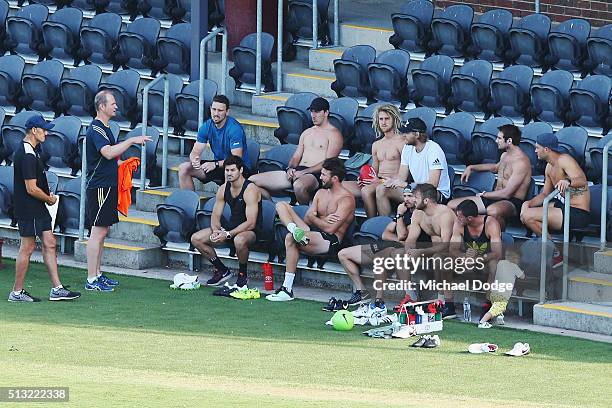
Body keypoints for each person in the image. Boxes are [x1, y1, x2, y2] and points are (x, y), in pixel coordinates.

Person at [8, 115, 81, 302]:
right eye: (44, 130)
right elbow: (31, 188)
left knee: (49, 242)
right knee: (28, 247)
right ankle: (16, 292)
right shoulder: (27, 154)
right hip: (29, 208)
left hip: (37, 208)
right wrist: (49, 198)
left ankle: (57, 288)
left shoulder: (32, 150)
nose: (47, 133)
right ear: (34, 130)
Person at [85, 91, 152, 292]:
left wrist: (124, 165)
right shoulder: (96, 129)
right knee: (97, 232)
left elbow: (111, 159)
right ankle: (91, 279)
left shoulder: (106, 128)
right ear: (101, 107)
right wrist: (131, 141)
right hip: (100, 186)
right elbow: (107, 153)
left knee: (103, 231)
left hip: (108, 184)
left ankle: (97, 273)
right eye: (112, 104)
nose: (116, 106)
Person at [266, 158, 355, 301]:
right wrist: (321, 220)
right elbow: (307, 218)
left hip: (329, 240)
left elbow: (331, 229)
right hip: (311, 231)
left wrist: (315, 218)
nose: (320, 177)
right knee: (281, 205)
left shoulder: (346, 199)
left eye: (324, 175)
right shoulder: (320, 193)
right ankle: (294, 229)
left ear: (335, 178)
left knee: (290, 238)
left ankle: (287, 289)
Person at [336, 186, 425, 308]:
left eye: (410, 196)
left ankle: (382, 299)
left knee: (382, 257)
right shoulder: (404, 212)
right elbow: (385, 234)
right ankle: (362, 292)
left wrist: (399, 215)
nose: (406, 199)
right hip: (385, 246)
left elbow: (403, 234)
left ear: (417, 198)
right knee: (343, 254)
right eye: (404, 196)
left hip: (401, 253)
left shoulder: (417, 214)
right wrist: (398, 238)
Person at [249, 97, 343, 204]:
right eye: (312, 111)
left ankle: (305, 215)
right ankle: (274, 210)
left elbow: (329, 163)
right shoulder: (307, 132)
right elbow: (296, 157)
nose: (313, 115)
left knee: (299, 186)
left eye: (317, 111)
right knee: (251, 181)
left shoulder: (334, 135)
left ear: (326, 112)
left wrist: (304, 172)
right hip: (297, 171)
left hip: (316, 174)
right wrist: (290, 168)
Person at [190, 155, 263, 289]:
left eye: (232, 170)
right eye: (227, 170)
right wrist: (217, 230)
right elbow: (215, 215)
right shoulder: (223, 188)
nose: (229, 173)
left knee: (239, 240)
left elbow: (251, 223)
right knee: (196, 238)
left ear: (240, 170)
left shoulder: (250, 189)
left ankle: (243, 274)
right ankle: (222, 270)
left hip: (252, 232)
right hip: (230, 229)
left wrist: (228, 234)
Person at [520, 133, 590, 265]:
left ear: (546, 149)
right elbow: (545, 194)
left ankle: (555, 254)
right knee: (525, 214)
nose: (535, 151)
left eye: (537, 148)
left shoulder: (564, 160)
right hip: (562, 206)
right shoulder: (548, 166)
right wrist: (527, 203)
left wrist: (568, 181)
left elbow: (582, 180)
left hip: (577, 212)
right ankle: (552, 251)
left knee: (528, 216)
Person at [448, 124, 532, 228]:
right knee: (452, 205)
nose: (496, 141)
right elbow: (495, 168)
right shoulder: (505, 155)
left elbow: (507, 194)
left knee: (492, 211)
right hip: (494, 197)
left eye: (499, 138)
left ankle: (497, 237)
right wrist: (472, 167)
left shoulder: (521, 162)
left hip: (511, 202)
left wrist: (485, 194)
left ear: (509, 141)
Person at [400, 183, 456, 318]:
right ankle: (411, 297)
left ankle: (444, 302)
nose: (412, 200)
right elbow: (410, 239)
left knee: (439, 258)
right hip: (433, 250)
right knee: (400, 255)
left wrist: (420, 252)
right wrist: (409, 252)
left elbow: (446, 245)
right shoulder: (418, 214)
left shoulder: (445, 214)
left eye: (415, 197)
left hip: (457, 252)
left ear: (426, 200)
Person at [376, 118, 451, 216]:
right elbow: (401, 178)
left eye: (407, 133)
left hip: (436, 194)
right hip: (416, 190)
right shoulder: (407, 148)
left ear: (417, 134)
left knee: (417, 197)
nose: (403, 135)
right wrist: (391, 181)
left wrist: (406, 185)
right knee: (381, 189)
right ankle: (385, 226)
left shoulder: (434, 150)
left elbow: (432, 185)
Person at [342, 104, 405, 217]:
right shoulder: (376, 144)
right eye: (381, 119)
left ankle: (374, 223)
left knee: (366, 191)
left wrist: (380, 181)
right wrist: (362, 178)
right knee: (339, 185)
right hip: (377, 180)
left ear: (394, 120)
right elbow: (374, 169)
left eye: (387, 119)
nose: (383, 122)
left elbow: (405, 173)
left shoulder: (402, 142)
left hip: (393, 183)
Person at [178, 95, 251, 191]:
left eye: (220, 111)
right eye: (214, 109)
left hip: (239, 168)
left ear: (227, 112)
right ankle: (189, 204)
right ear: (210, 109)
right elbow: (195, 151)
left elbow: (236, 159)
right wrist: (194, 159)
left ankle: (227, 202)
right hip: (220, 165)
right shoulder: (207, 126)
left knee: (229, 171)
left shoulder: (234, 129)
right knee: (184, 168)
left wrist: (215, 164)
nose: (216, 113)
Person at [450, 200, 503, 286]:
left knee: (494, 265)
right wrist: (465, 256)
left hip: (486, 260)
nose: (457, 220)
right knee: (445, 262)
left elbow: (497, 254)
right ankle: (447, 297)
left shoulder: (491, 224)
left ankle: (488, 298)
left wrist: (477, 259)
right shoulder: (458, 224)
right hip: (468, 260)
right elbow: (452, 250)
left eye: (460, 217)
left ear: (469, 218)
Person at [478, 251, 525, 329]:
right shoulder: (515, 267)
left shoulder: (500, 263)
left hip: (494, 292)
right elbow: (522, 276)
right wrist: (522, 272)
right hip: (503, 295)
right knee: (496, 309)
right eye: (517, 258)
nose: (518, 260)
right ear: (513, 258)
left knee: (498, 306)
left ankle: (500, 317)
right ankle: (482, 322)